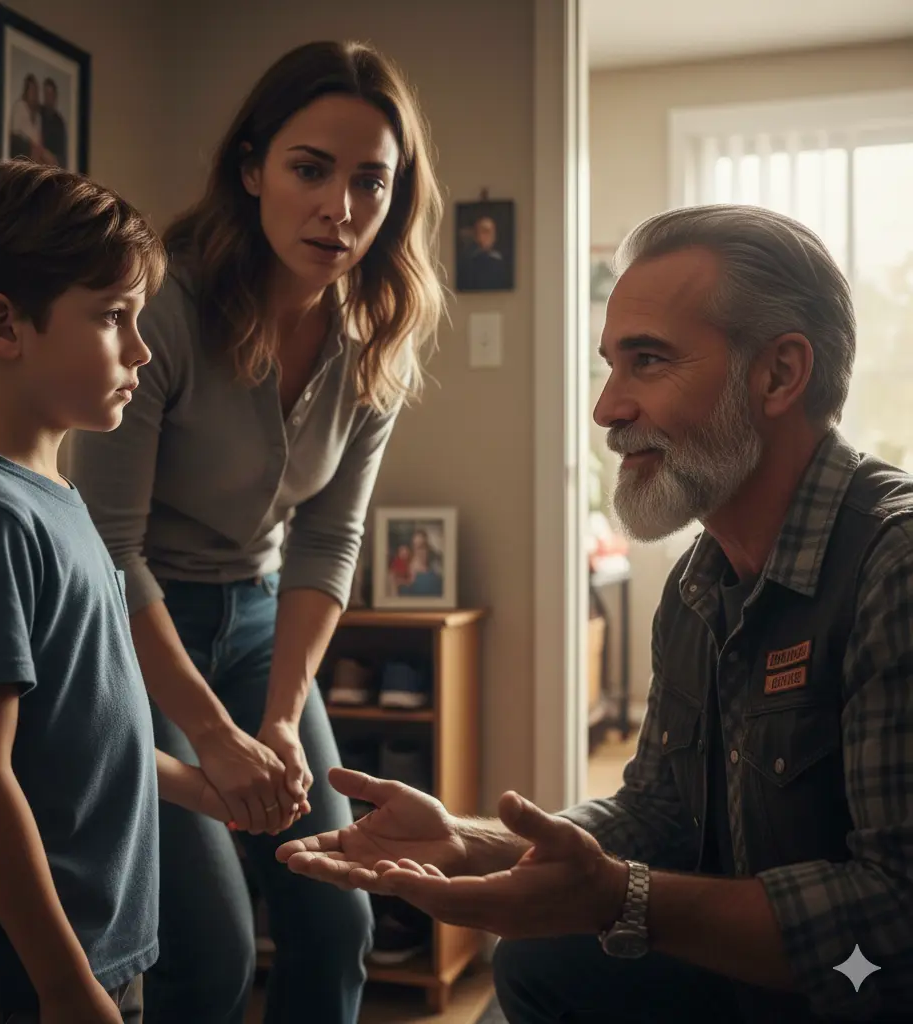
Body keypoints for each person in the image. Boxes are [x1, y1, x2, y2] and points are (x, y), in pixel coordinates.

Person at [278, 205, 913, 1023]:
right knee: (542, 962)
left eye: (646, 361)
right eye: (609, 366)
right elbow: (656, 812)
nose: (606, 409)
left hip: (855, 994)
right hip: (755, 976)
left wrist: (621, 898)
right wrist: (475, 845)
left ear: (780, 375)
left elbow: (895, 919)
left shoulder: (892, 569)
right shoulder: (697, 585)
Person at [67, 39, 445, 1024]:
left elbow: (328, 541)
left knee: (334, 917)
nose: (341, 208)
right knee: (211, 943)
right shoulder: (165, 310)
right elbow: (110, 548)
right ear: (251, 169)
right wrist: (209, 731)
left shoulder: (374, 342)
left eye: (371, 181)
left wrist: (277, 718)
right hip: (135, 630)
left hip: (260, 626)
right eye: (310, 169)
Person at [0, 160, 238, 1024]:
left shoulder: (58, 501)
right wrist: (61, 982)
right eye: (114, 317)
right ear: (4, 326)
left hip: (96, 947)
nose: (141, 348)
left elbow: (77, 744)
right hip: (17, 969)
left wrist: (200, 789)